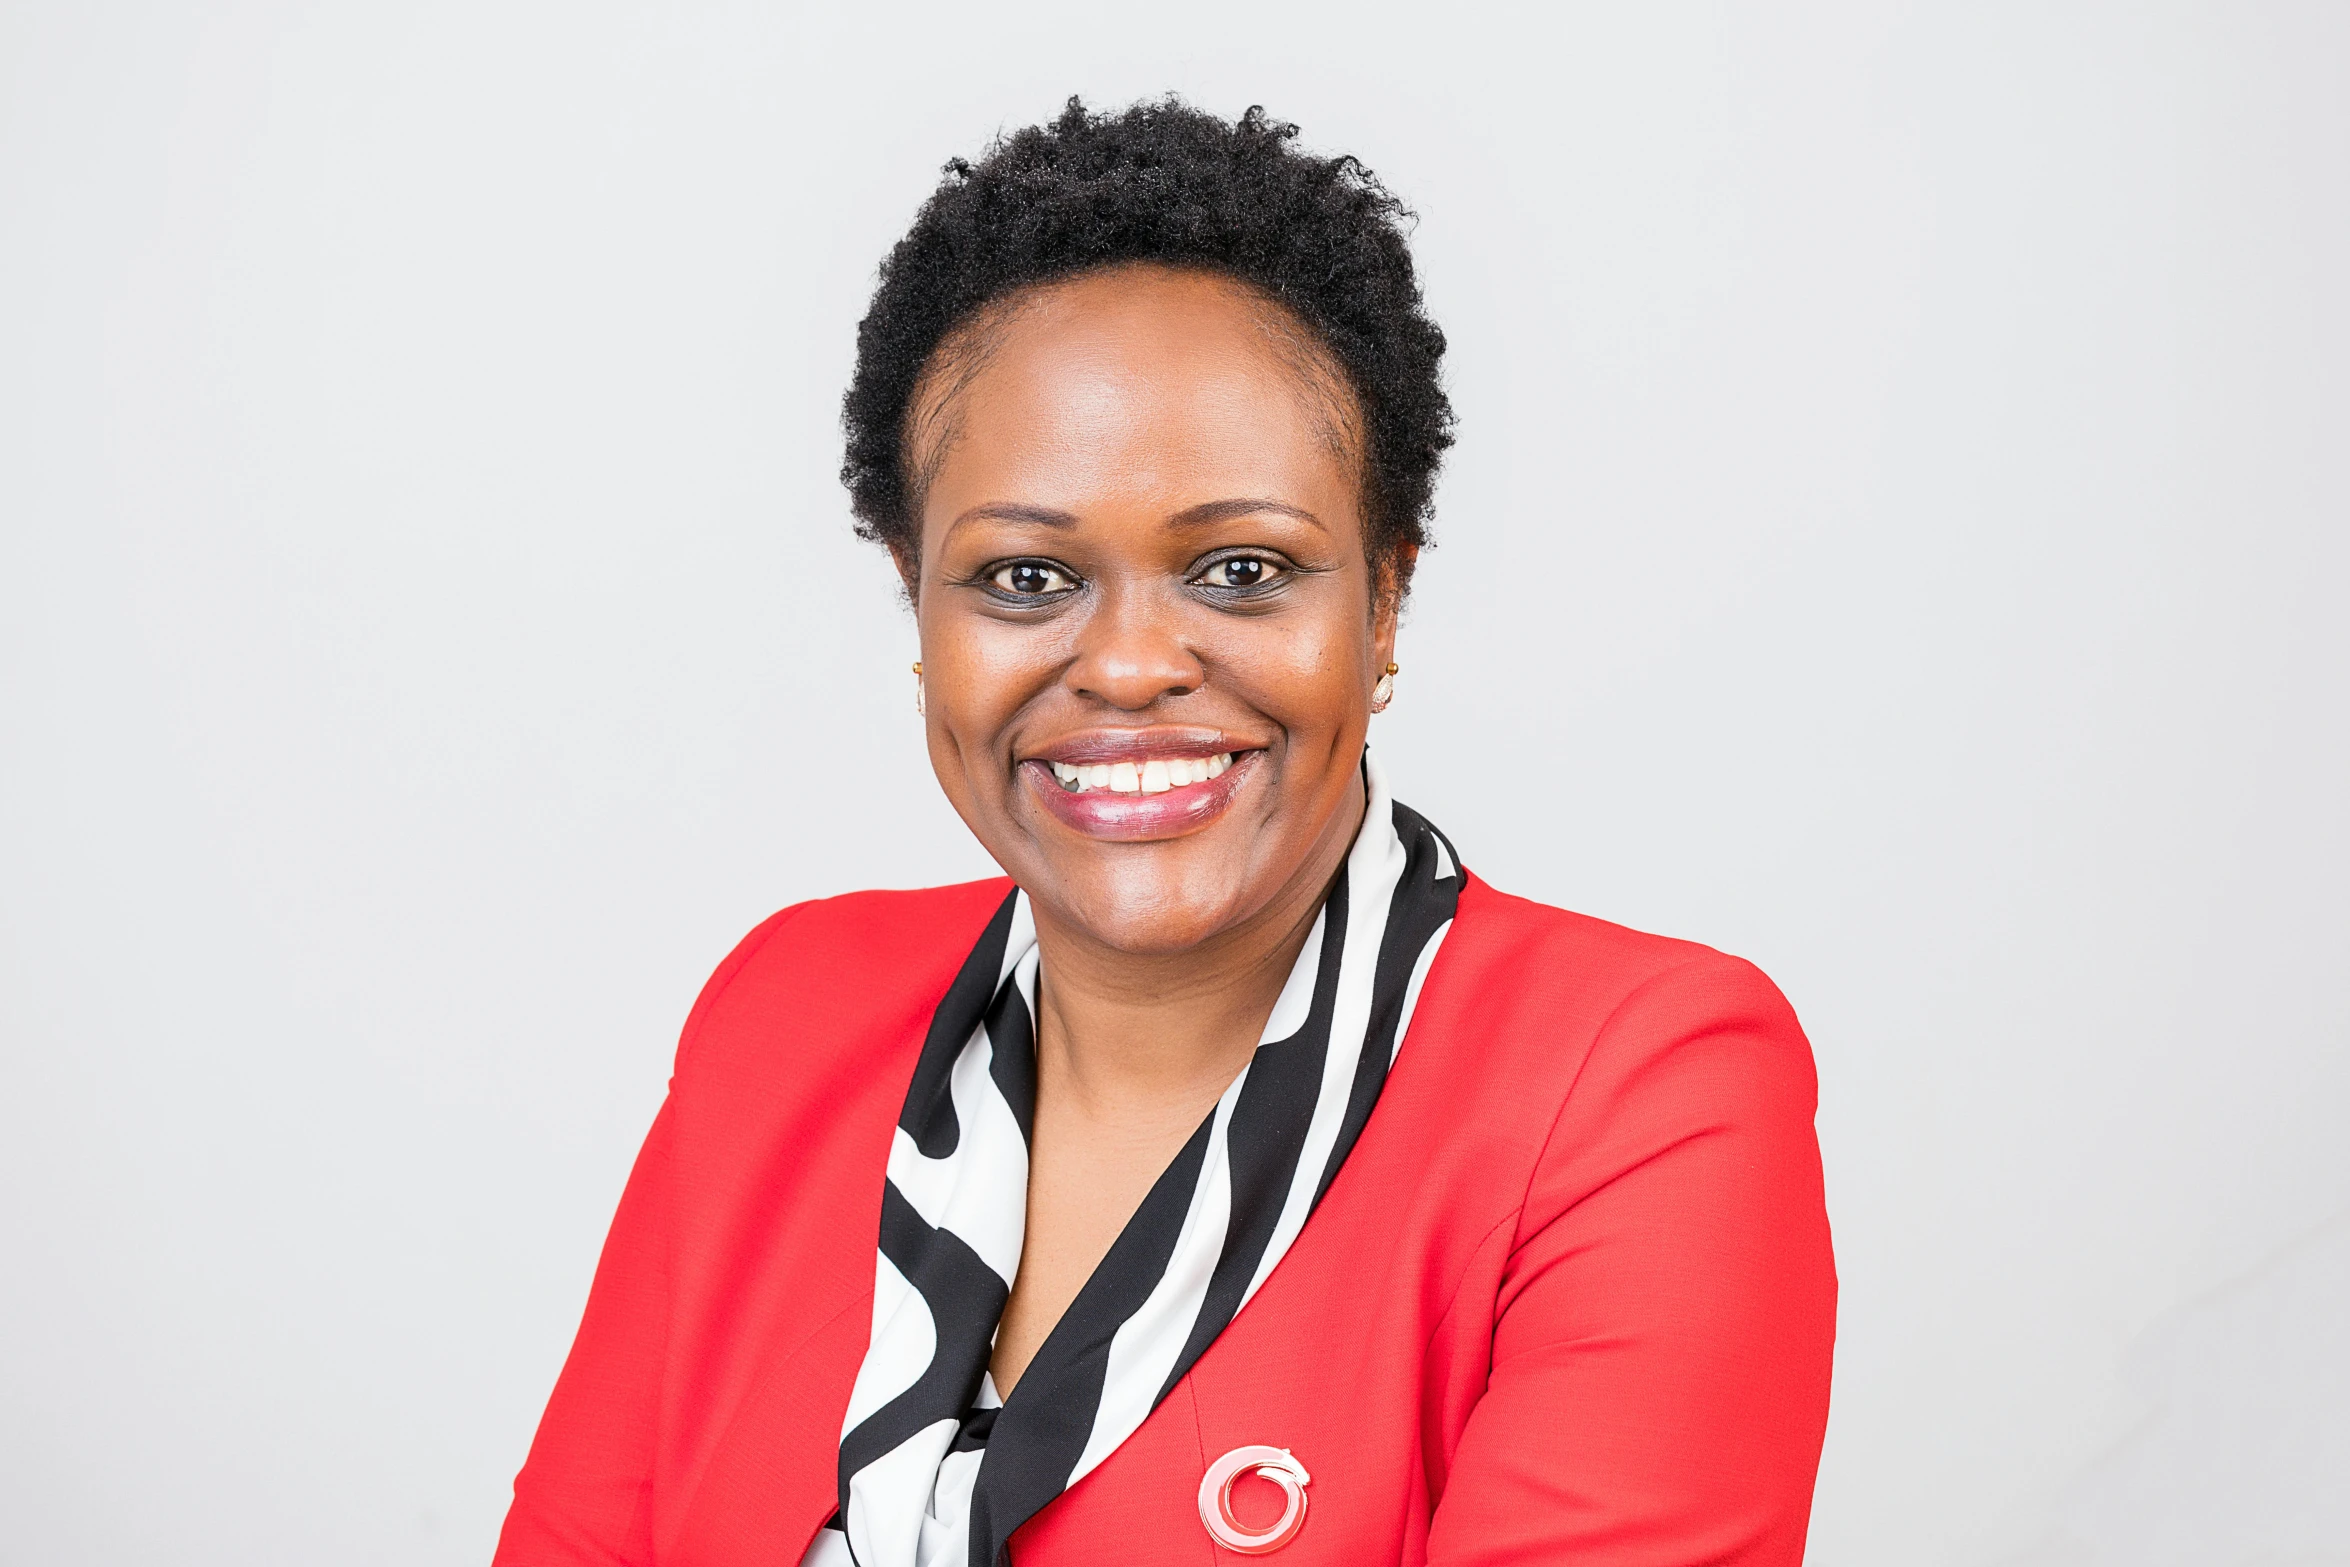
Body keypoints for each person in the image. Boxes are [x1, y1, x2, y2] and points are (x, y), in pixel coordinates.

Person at [493, 98, 1835, 1567]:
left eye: (1240, 568)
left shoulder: (1636, 1093)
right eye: (1020, 577)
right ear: (914, 600)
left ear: (1382, 600)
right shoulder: (784, 1012)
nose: (1128, 663)